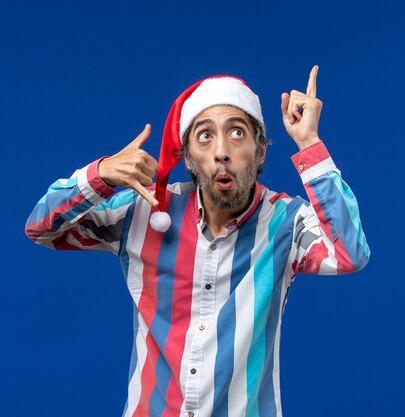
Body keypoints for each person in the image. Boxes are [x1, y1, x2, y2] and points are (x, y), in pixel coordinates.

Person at [25, 66, 370, 417]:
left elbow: (349, 253)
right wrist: (99, 175)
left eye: (237, 132)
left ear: (261, 150)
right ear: (188, 157)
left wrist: (309, 143)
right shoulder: (143, 211)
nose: (221, 151)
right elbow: (42, 228)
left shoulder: (285, 222)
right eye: (205, 136)